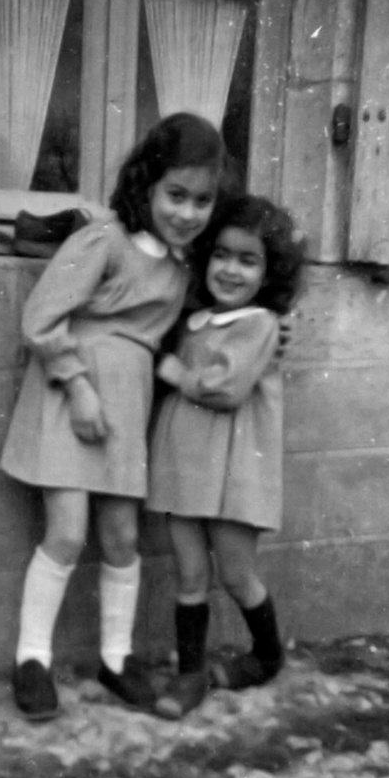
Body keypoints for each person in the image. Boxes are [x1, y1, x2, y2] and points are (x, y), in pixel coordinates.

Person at [0, 112, 232, 720]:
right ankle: (31, 660)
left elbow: (225, 314)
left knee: (124, 539)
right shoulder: (104, 240)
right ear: (147, 185)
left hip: (126, 410)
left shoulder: (183, 272)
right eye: (175, 195)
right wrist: (76, 386)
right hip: (69, 393)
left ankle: (116, 657)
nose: (186, 212)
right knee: (68, 531)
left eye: (202, 201)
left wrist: (275, 327)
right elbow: (40, 317)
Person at [146, 194, 305, 719]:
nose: (230, 269)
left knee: (237, 575)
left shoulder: (261, 324)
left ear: (269, 272)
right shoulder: (192, 321)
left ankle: (267, 655)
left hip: (236, 474)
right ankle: (190, 676)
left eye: (248, 260)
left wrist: (175, 374)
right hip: (183, 468)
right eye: (221, 255)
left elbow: (228, 388)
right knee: (190, 574)